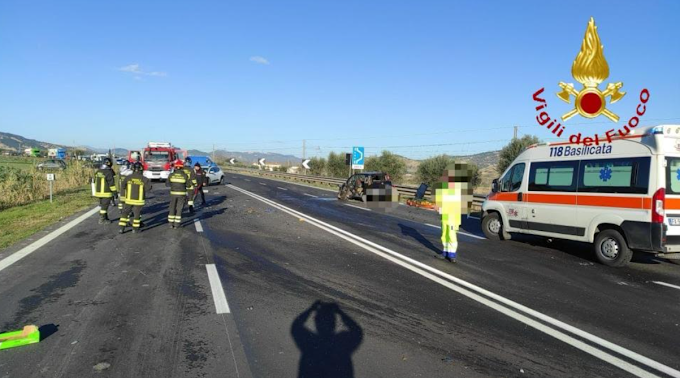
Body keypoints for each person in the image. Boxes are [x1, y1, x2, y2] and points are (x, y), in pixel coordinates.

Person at [434, 164, 473, 262]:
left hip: (453, 216)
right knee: (444, 234)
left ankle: (452, 254)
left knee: (451, 235)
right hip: (445, 215)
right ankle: (445, 252)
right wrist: (437, 204)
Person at [119, 162, 151, 234]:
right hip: (138, 201)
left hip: (128, 200)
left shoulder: (128, 177)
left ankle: (121, 229)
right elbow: (148, 188)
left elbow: (123, 186)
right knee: (136, 215)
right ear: (141, 169)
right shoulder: (144, 179)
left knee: (125, 214)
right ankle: (135, 229)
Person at [166, 159, 191, 229]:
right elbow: (188, 185)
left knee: (172, 208)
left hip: (173, 194)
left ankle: (170, 224)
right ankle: (177, 225)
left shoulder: (171, 175)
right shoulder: (185, 175)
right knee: (179, 209)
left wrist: (173, 185)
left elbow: (167, 184)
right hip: (181, 195)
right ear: (182, 167)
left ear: (175, 167)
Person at [92, 157, 117, 224]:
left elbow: (94, 181)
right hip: (106, 192)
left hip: (98, 192)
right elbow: (111, 183)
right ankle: (102, 219)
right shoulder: (108, 172)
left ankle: (105, 218)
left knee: (103, 204)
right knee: (104, 206)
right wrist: (115, 192)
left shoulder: (98, 171)